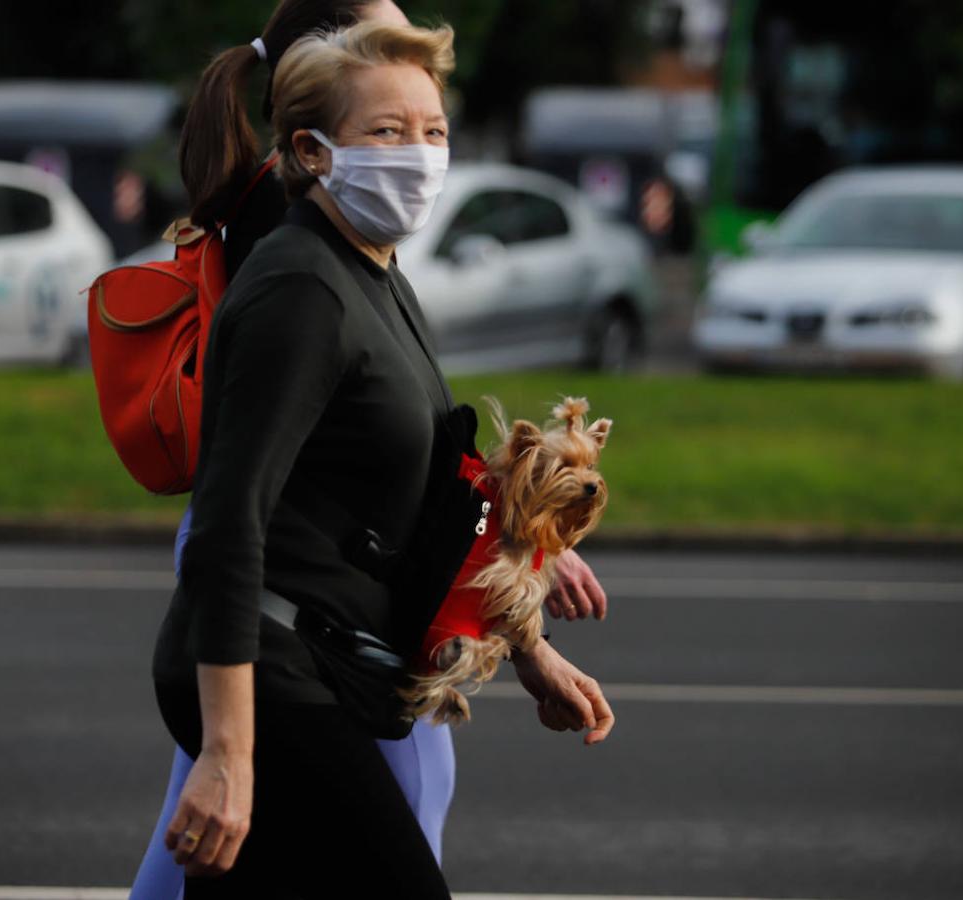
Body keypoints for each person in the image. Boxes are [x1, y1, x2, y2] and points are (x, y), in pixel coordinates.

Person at [144, 17, 615, 898]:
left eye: (433, 132)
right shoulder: (299, 288)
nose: (419, 154)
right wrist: (227, 753)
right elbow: (225, 524)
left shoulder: (372, 271)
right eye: (387, 133)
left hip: (326, 669)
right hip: (277, 675)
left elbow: (433, 488)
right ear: (313, 152)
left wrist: (528, 648)